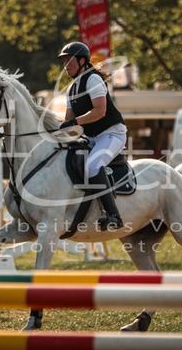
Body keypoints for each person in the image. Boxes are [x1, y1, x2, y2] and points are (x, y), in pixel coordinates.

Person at [58, 41, 127, 230]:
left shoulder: (93, 79)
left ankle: (114, 216)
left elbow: (99, 111)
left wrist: (74, 122)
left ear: (82, 61)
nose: (65, 66)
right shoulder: (72, 89)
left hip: (112, 133)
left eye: (69, 61)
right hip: (91, 138)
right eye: (64, 62)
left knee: (93, 166)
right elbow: (68, 121)